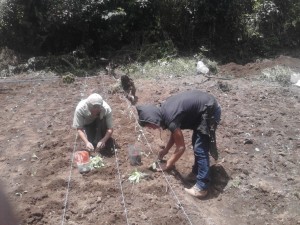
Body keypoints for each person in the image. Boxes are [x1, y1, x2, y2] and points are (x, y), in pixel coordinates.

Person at [136, 90, 221, 198]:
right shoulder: (164, 111)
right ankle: (196, 173)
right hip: (202, 109)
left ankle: (202, 187)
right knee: (197, 143)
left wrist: (168, 164)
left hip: (210, 110)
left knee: (200, 148)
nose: (151, 128)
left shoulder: (169, 117)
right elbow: (175, 133)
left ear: (153, 119)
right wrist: (166, 150)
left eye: (150, 125)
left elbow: (181, 147)